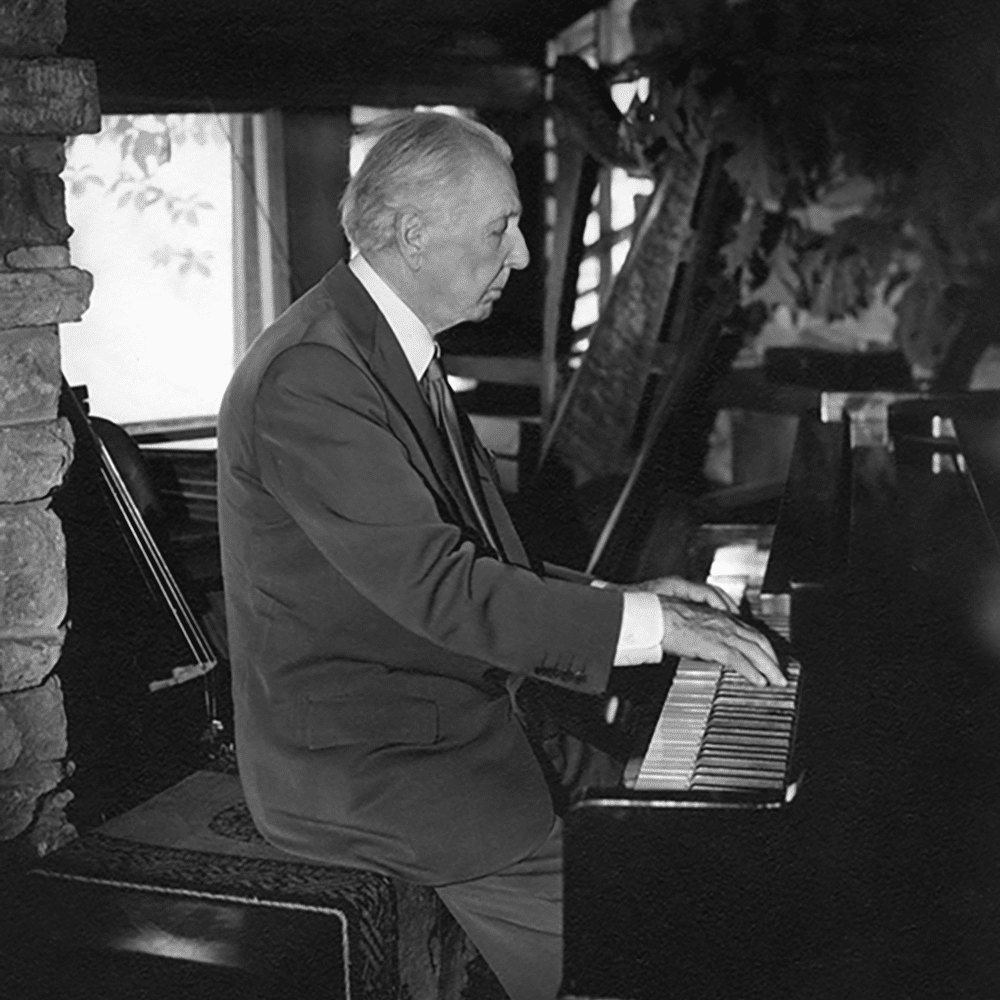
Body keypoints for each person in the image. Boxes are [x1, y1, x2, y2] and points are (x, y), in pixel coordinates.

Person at [217, 110, 783, 1000]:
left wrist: (625, 594)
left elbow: (466, 558)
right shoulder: (313, 377)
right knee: (667, 953)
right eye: (500, 229)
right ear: (412, 234)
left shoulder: (384, 348)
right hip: (380, 766)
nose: (519, 256)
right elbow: (443, 588)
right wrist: (648, 626)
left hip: (466, 719)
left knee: (701, 834)